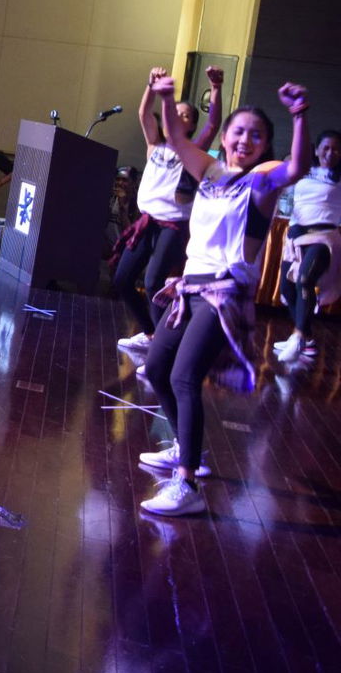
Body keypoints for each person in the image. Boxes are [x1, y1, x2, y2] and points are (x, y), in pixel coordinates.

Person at [137, 76, 309, 516]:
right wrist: (166, 96)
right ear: (226, 136)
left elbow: (297, 167)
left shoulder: (263, 180)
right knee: (156, 368)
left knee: (184, 377)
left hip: (224, 293)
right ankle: (186, 449)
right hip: (191, 286)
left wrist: (299, 115)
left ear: (266, 144)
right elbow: (177, 138)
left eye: (257, 134)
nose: (246, 140)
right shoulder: (210, 172)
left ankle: (188, 485)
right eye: (239, 131)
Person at [113, 66, 223, 350]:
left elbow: (213, 125)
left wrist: (216, 88)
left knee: (154, 283)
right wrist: (151, 85)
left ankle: (166, 342)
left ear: (191, 125)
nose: (177, 116)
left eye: (185, 115)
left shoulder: (193, 151)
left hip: (173, 226)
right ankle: (151, 334)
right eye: (175, 111)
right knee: (123, 279)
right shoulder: (155, 144)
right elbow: (143, 113)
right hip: (147, 221)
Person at [275, 129, 340, 363]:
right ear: (317, 150)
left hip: (323, 237)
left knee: (304, 279)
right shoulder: (304, 171)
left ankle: (298, 336)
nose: (330, 153)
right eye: (326, 148)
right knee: (287, 289)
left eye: (336, 149)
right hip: (295, 236)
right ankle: (306, 339)